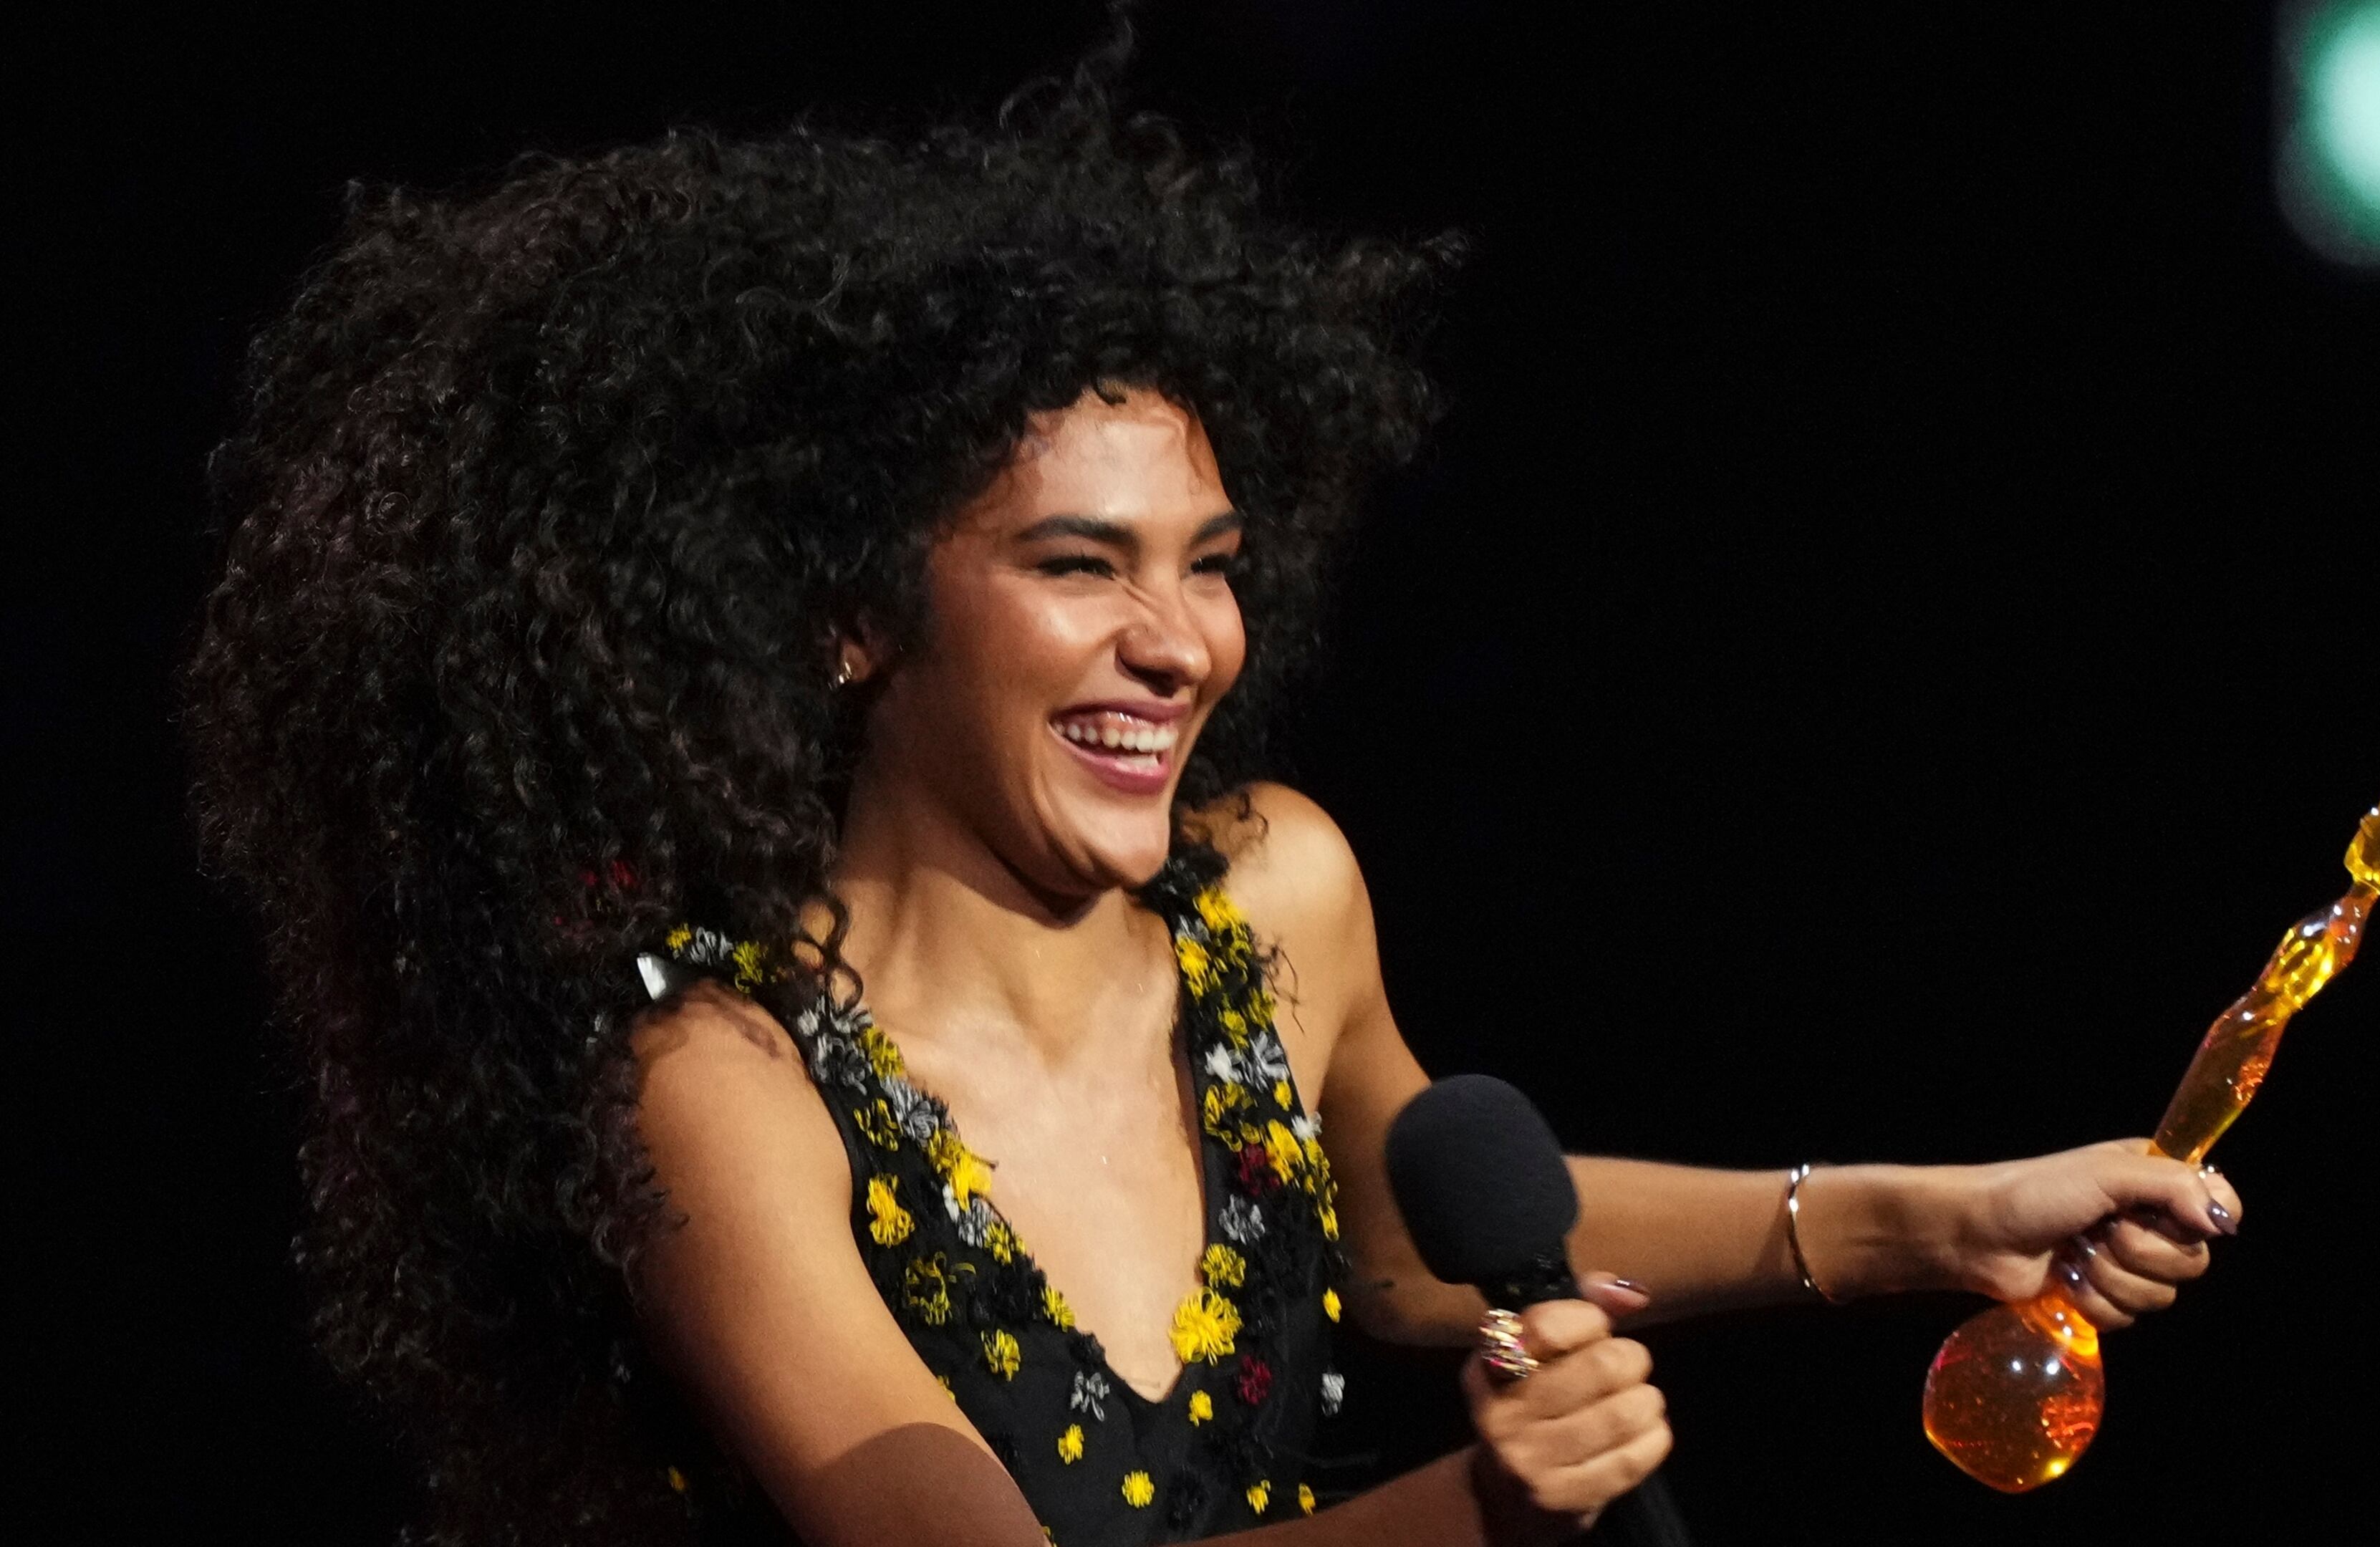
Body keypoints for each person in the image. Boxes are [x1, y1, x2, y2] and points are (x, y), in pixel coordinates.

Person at [186, 43, 2241, 1547]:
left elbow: (1411, 1250)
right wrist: (1476, 1524)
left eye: (1213, 565)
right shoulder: (721, 1078)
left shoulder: (1275, 895)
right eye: (1080, 566)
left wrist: (1924, 1219)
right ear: (850, 623)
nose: (1184, 644)